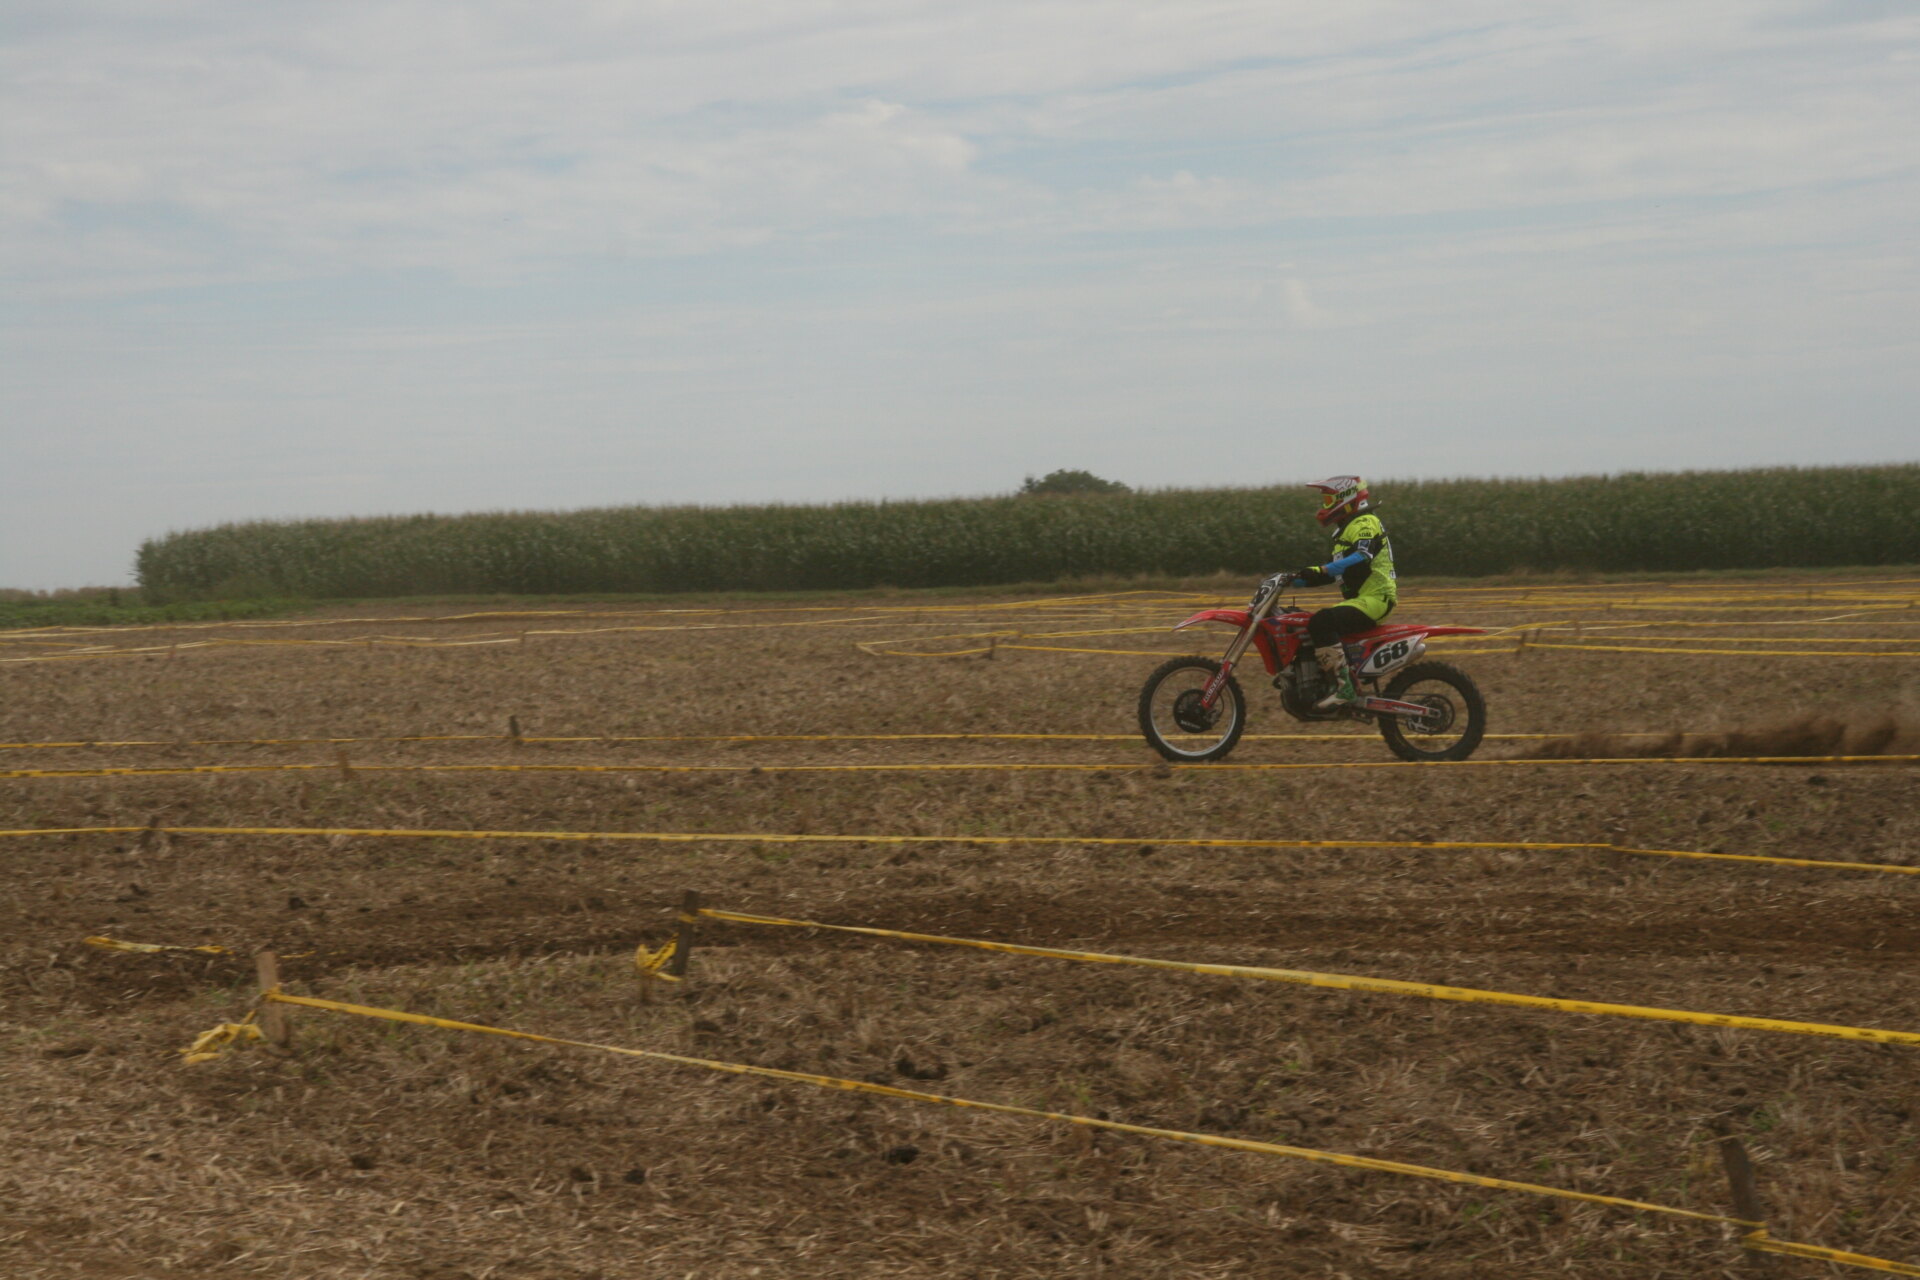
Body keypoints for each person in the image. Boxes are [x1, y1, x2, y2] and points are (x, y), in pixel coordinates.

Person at [1260, 476, 1397, 708]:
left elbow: (1362, 556)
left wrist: (1322, 569)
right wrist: (1293, 580)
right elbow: (1333, 574)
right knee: (1301, 621)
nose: (1325, 506)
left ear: (1346, 499)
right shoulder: (1347, 530)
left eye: (1328, 500)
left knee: (1322, 622)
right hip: (1362, 600)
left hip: (1376, 598)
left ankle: (1345, 689)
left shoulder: (1365, 522)